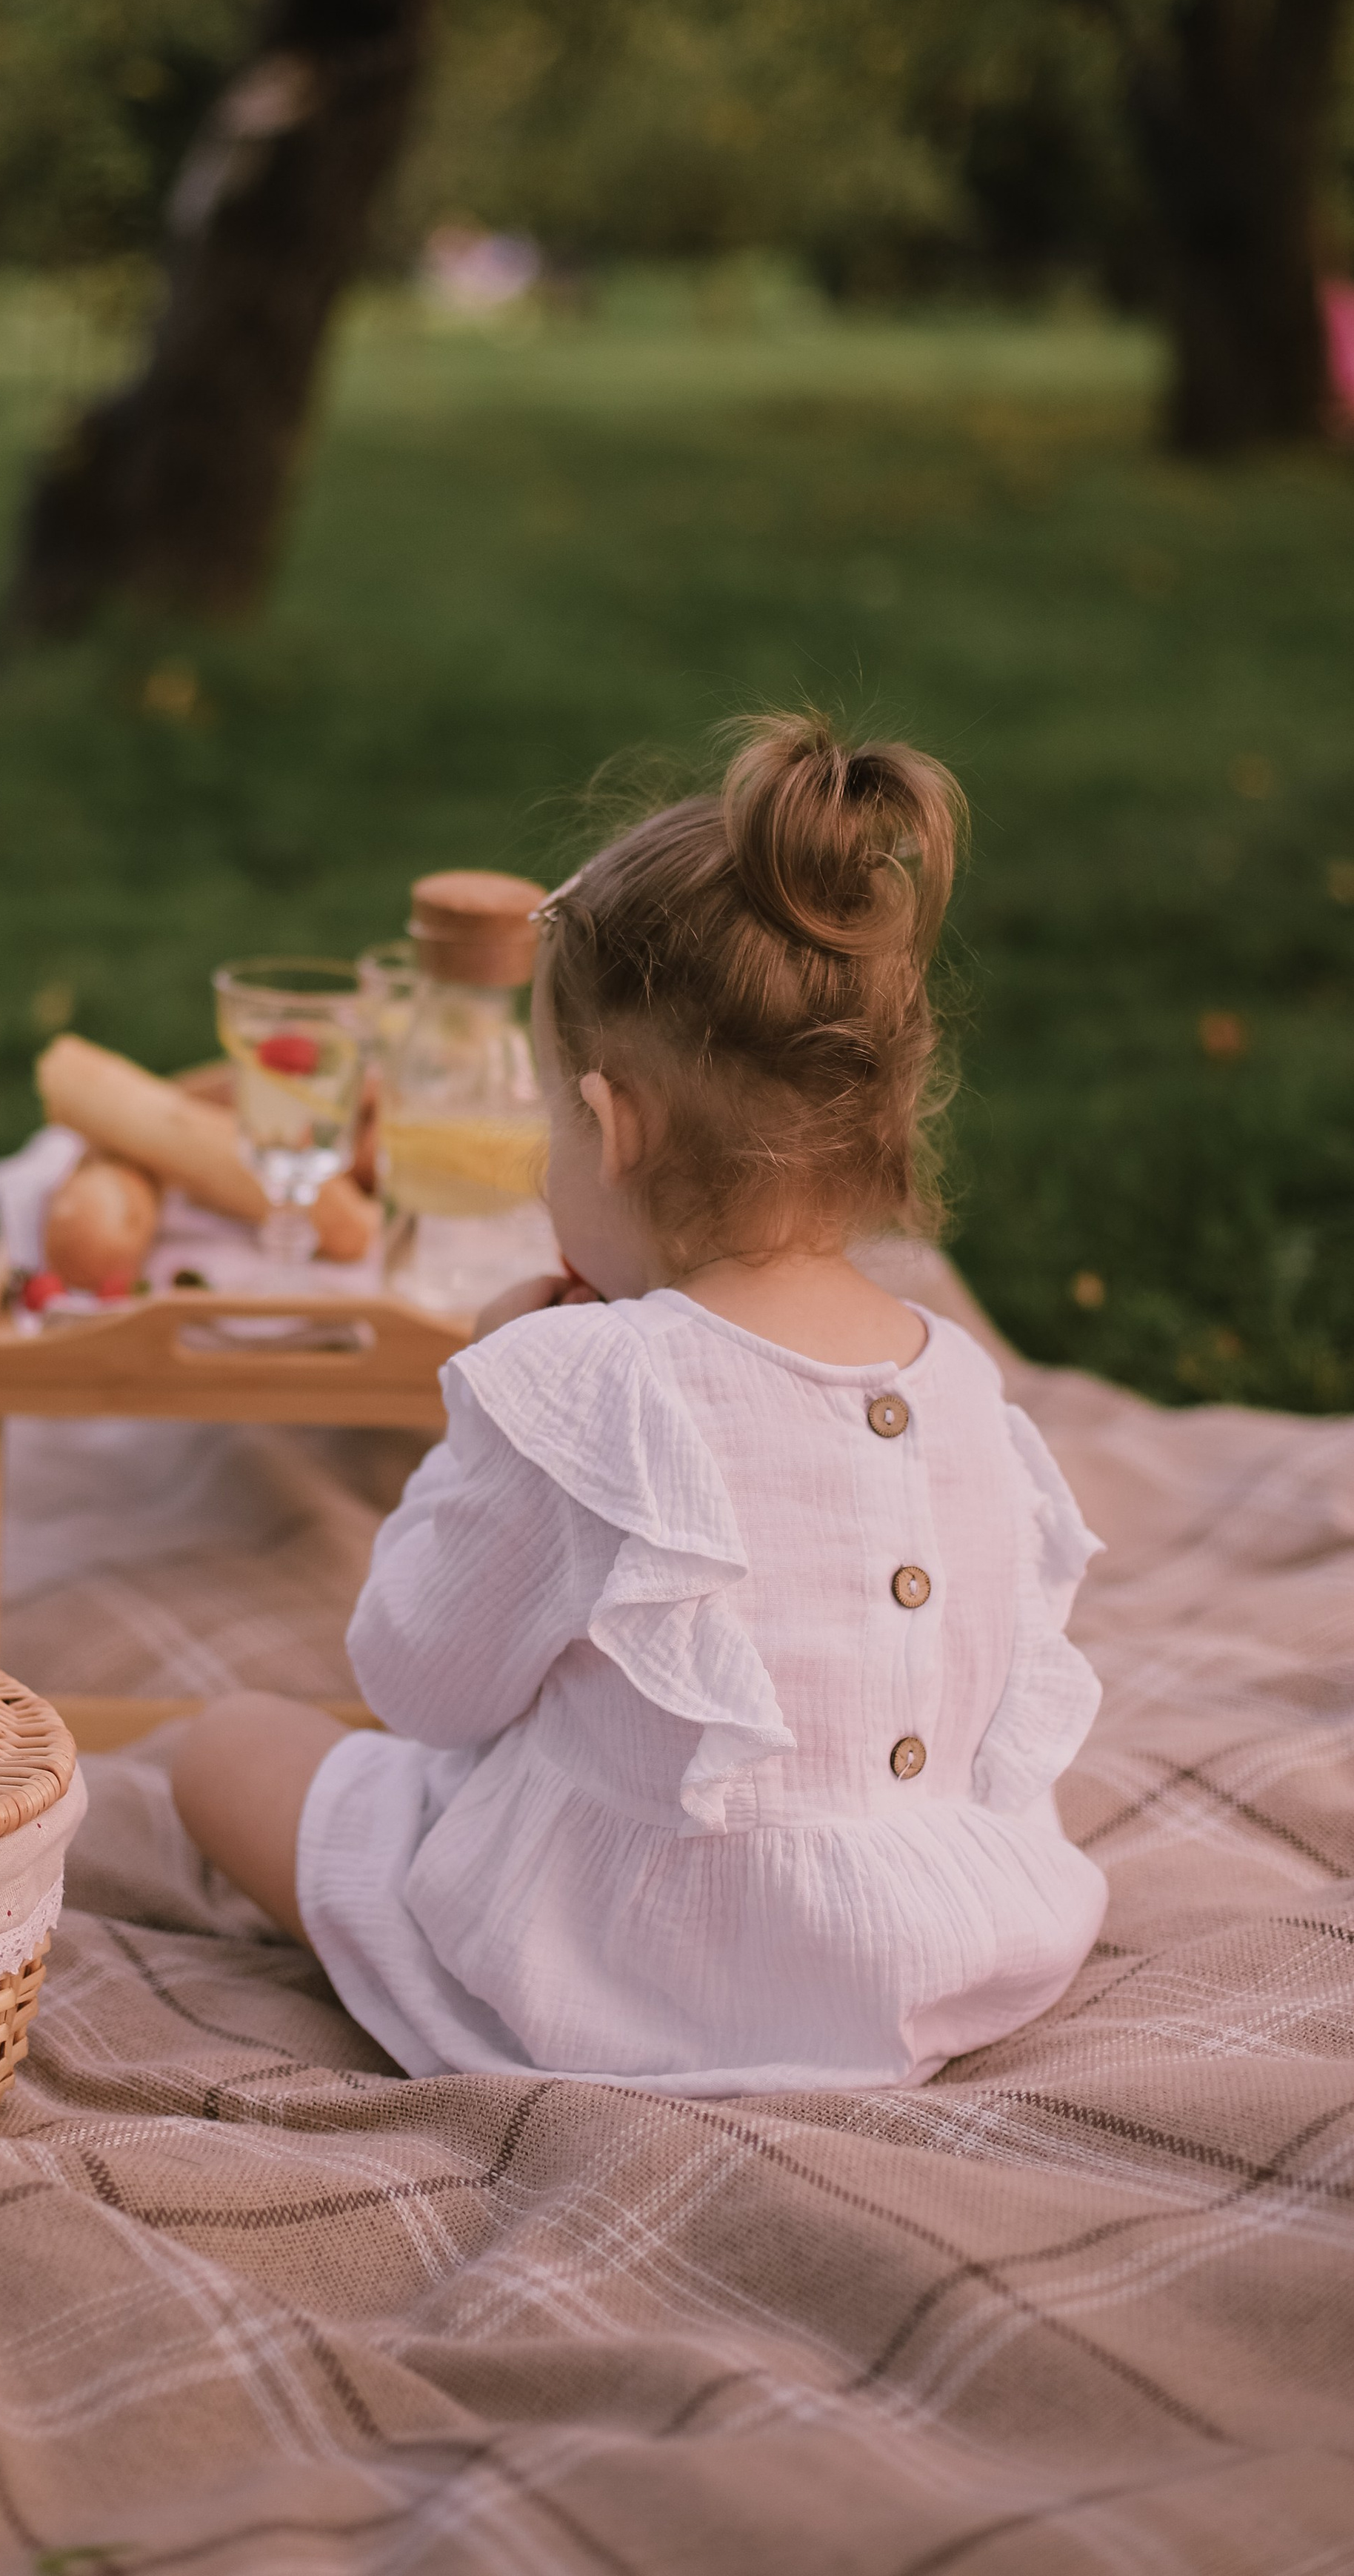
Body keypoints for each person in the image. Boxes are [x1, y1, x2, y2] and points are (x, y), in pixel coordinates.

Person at [172, 715, 1107, 2094]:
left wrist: (486, 1418)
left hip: (641, 1978)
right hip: (936, 1955)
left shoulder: (586, 1379)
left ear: (611, 1128)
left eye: (553, 1125)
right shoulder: (961, 1378)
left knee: (222, 1747)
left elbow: (417, 1687)